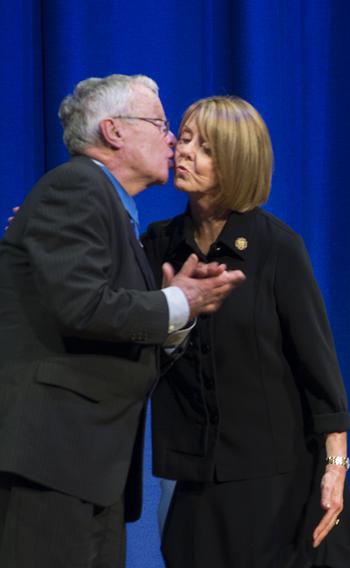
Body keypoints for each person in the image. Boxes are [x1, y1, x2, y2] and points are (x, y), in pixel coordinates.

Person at [0, 74, 245, 568]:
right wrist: (177, 301)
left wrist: (177, 317)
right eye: (160, 124)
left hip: (87, 465)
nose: (172, 139)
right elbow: (84, 307)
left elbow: (107, 326)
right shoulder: (76, 187)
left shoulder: (111, 208)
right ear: (113, 132)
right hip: (52, 459)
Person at [143, 96, 350, 567]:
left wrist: (336, 468)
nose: (183, 152)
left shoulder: (275, 248)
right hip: (192, 477)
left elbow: (320, 371)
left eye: (203, 147)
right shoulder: (157, 244)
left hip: (276, 484)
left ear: (236, 161)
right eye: (183, 139)